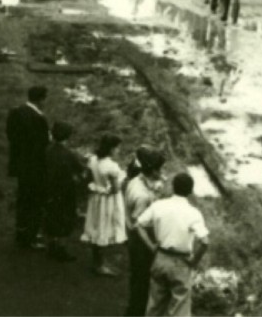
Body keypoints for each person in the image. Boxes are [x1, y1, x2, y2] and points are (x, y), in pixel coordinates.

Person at [134, 173, 210, 317]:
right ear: (190, 191)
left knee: (155, 303)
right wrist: (194, 262)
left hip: (160, 257)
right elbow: (205, 242)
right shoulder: (193, 213)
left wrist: (151, 246)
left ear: (173, 187)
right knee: (178, 309)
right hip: (181, 262)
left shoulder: (159, 205)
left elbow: (138, 225)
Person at [6, 86, 50, 250]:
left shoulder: (16, 112)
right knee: (34, 201)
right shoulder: (38, 118)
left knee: (23, 198)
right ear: (40, 100)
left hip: (20, 164)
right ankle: (30, 237)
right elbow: (43, 144)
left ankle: (21, 232)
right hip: (35, 167)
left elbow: (10, 134)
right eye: (45, 99)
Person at [124, 148, 166, 316]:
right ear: (153, 170)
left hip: (133, 238)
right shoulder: (142, 196)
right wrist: (152, 247)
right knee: (142, 281)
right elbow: (138, 223)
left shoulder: (136, 180)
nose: (161, 173)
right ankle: (136, 313)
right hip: (141, 242)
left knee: (137, 278)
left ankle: (134, 310)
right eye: (159, 169)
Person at [82, 134, 128, 276]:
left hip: (96, 199)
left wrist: (96, 186)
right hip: (107, 202)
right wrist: (123, 178)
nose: (118, 150)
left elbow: (88, 178)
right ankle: (100, 265)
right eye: (117, 147)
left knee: (96, 227)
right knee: (104, 227)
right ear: (111, 149)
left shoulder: (93, 160)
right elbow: (115, 189)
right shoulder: (111, 166)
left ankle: (99, 261)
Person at [44, 121, 85, 262]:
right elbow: (81, 169)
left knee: (51, 215)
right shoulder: (69, 154)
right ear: (68, 136)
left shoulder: (47, 150)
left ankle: (51, 244)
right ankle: (61, 248)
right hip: (65, 190)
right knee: (65, 218)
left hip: (49, 189)